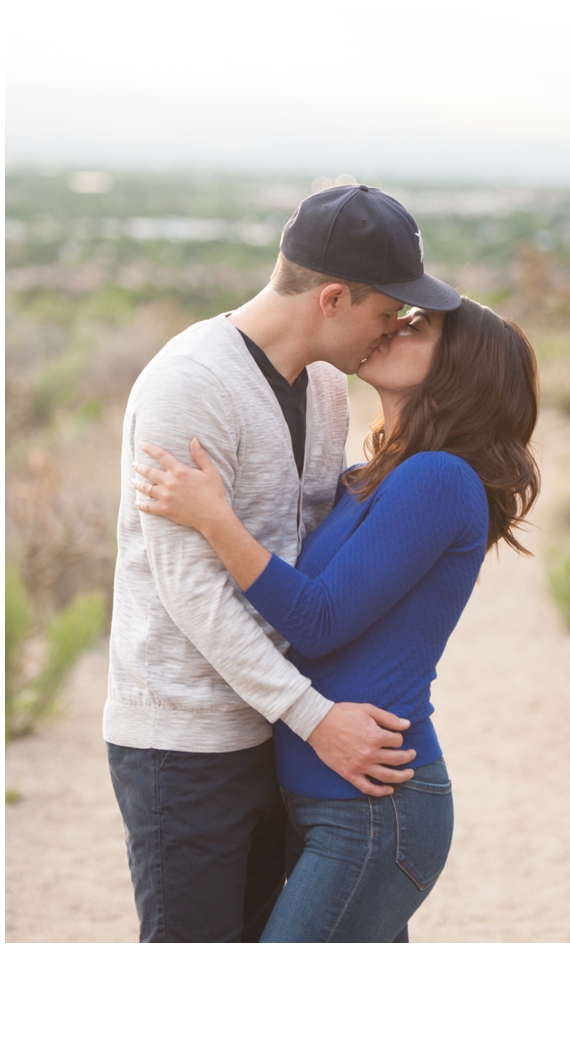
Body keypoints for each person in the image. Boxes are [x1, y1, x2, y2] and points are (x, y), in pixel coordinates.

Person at [106, 184, 461, 941]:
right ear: (334, 297)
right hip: (187, 740)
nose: (396, 325)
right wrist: (314, 716)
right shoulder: (189, 385)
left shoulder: (330, 388)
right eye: (389, 308)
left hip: (276, 732)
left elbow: (314, 563)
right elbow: (190, 591)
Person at [132, 296, 540, 941]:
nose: (392, 327)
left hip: (375, 812)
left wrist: (214, 519)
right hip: (327, 799)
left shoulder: (440, 479)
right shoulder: (369, 477)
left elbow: (318, 620)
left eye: (417, 327)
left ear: (460, 367)